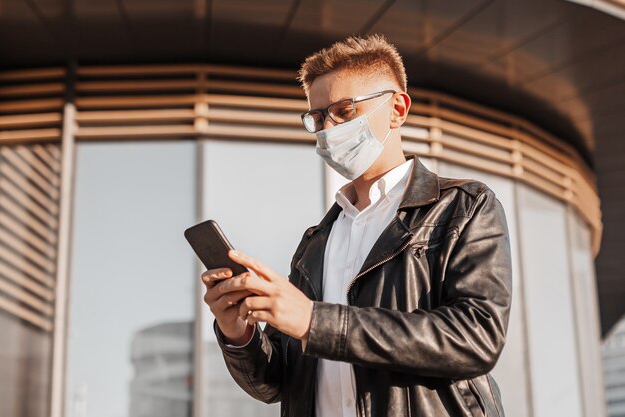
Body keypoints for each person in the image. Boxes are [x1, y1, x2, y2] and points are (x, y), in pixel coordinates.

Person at [202, 33, 512, 417]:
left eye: (344, 111)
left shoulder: (462, 208)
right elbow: (275, 384)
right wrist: (240, 334)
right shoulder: (316, 244)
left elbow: (474, 338)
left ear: (397, 109)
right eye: (317, 117)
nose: (328, 128)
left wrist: (316, 321)